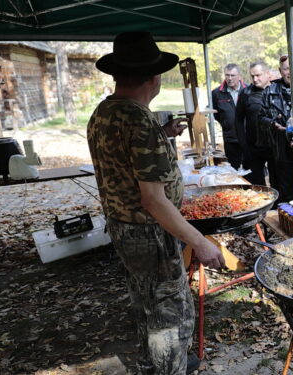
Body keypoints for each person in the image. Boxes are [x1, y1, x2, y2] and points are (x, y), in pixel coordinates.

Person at [87, 31, 226, 375]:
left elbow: (122, 156)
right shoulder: (139, 119)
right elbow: (153, 200)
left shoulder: (105, 112)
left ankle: (155, 364)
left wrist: (162, 136)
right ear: (154, 77)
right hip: (149, 233)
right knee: (170, 313)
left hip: (123, 228)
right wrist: (199, 242)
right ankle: (169, 368)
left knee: (146, 301)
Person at [258, 55, 293, 203]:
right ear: (280, 71)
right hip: (282, 147)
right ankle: (291, 222)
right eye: (286, 69)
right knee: (286, 192)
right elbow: (260, 118)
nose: (290, 72)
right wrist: (272, 124)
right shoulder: (270, 91)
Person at [235, 61, 273, 186]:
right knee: (255, 184)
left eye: (258, 75)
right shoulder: (246, 93)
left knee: (278, 181)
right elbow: (238, 120)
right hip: (253, 146)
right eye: (252, 76)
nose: (255, 79)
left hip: (274, 146)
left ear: (268, 74)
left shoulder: (277, 90)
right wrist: (243, 144)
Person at [211, 63, 248, 169]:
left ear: (240, 76)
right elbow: (216, 114)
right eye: (227, 75)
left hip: (248, 138)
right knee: (233, 169)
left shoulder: (249, 90)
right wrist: (227, 124)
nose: (230, 78)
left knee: (250, 170)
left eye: (233, 75)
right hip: (230, 139)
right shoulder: (217, 93)